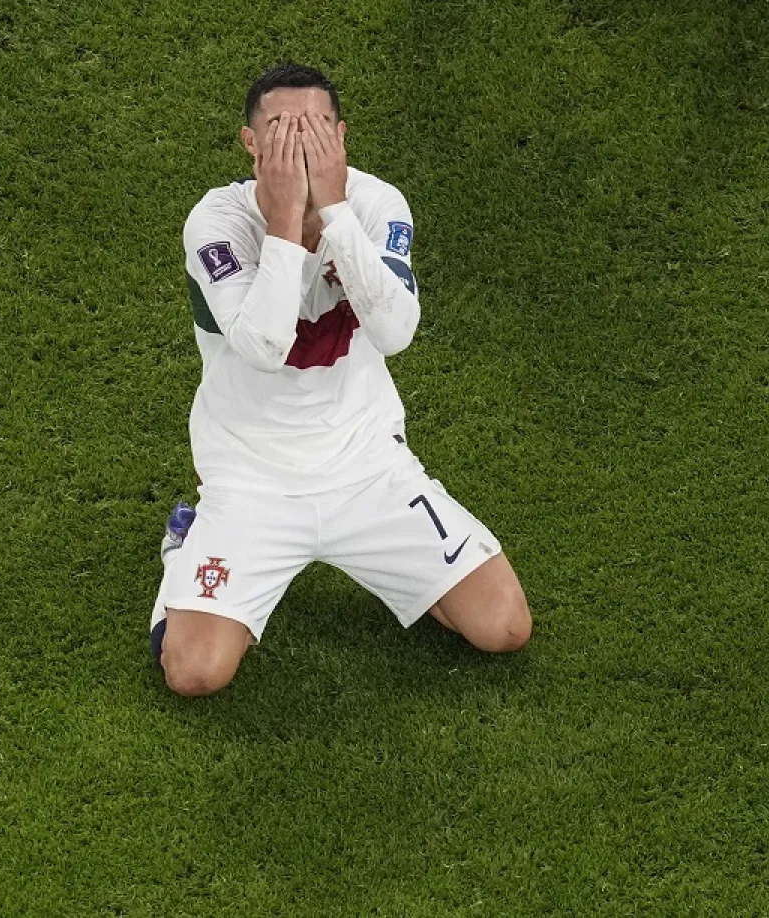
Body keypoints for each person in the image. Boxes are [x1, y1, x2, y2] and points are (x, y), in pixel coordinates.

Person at [149, 62, 531, 697]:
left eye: (317, 129)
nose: (299, 144)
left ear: (342, 137)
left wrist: (334, 211)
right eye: (280, 129)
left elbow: (395, 331)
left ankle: (403, 573)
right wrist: (285, 223)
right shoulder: (216, 224)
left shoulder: (378, 205)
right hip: (252, 480)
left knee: (504, 629)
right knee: (194, 673)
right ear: (250, 144)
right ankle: (181, 550)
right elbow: (265, 346)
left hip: (369, 469)